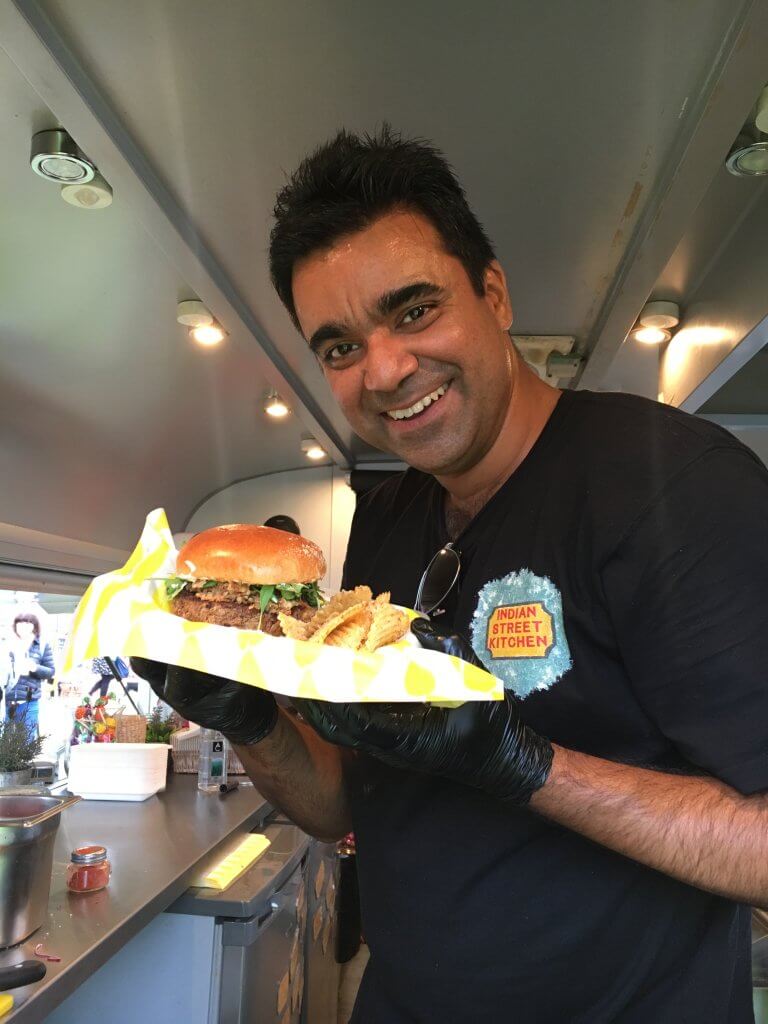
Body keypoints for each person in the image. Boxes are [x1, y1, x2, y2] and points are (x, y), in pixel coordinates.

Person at [135, 127, 768, 1022]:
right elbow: (343, 801)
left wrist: (525, 765)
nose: (386, 369)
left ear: (495, 294)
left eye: (415, 310)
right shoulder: (389, 519)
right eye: (340, 346)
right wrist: (248, 721)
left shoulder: (669, 485)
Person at [6, 613, 54, 738]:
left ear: (34, 626)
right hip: (5, 700)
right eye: (20, 623)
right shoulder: (7, 644)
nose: (23, 626)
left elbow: (51, 671)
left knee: (27, 742)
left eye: (27, 623)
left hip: (29, 701)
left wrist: (34, 667)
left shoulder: (42, 646)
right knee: (4, 742)